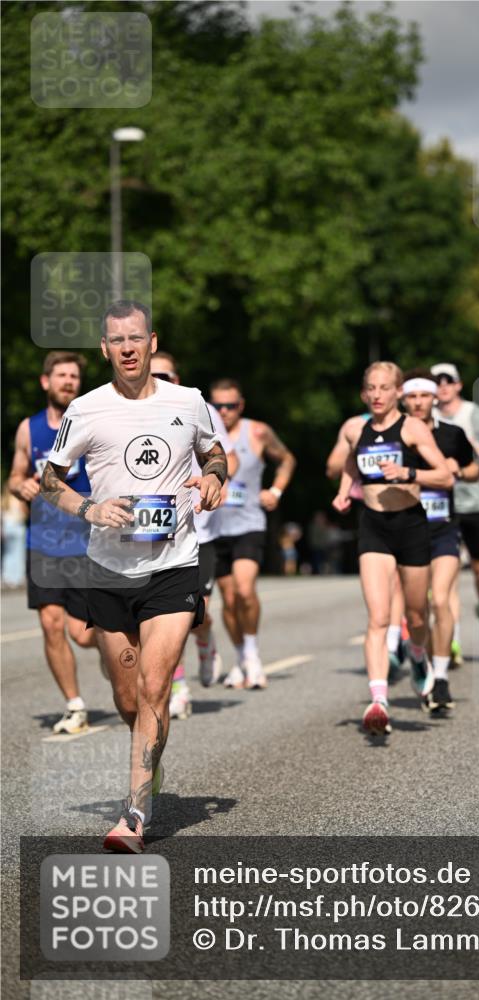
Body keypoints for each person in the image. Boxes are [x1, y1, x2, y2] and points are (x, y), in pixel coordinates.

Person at [39, 300, 228, 853]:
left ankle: (135, 814)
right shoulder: (86, 409)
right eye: (116, 340)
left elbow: (215, 454)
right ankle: (150, 762)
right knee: (127, 698)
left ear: (151, 343)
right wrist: (88, 509)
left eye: (136, 338)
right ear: (105, 349)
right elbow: (50, 481)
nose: (126, 347)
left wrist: (214, 479)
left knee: (153, 685)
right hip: (108, 571)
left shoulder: (187, 402)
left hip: (174, 565)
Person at [331, 361, 454, 735]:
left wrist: (408, 474)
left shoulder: (413, 428)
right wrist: (343, 492)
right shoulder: (355, 428)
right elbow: (352, 463)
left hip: (412, 525)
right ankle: (379, 700)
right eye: (371, 388)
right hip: (373, 526)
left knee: (417, 617)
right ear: (364, 392)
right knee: (378, 618)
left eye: (385, 388)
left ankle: (418, 655)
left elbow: (446, 476)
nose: (377, 395)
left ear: (398, 391)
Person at [8, 351, 99, 734]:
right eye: (61, 375)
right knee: (50, 623)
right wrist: (22, 485)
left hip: (86, 542)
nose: (68, 382)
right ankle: (75, 705)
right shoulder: (29, 429)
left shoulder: (93, 423)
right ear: (46, 382)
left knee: (83, 634)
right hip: (43, 542)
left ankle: (118, 654)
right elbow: (14, 476)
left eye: (74, 376)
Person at [149, 351, 238, 719]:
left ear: (178, 377)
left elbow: (224, 458)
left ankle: (206, 644)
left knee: (193, 614)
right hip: (151, 528)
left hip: (198, 529)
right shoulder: (129, 411)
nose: (159, 382)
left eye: (166, 376)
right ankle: (178, 687)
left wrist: (214, 481)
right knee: (162, 616)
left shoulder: (197, 405)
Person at [210, 378, 296, 690]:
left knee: (245, 590)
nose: (224, 411)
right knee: (229, 600)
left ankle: (253, 654)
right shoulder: (204, 432)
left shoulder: (257, 431)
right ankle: (240, 658)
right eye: (218, 405)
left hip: (249, 523)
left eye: (230, 405)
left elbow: (287, 459)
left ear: (241, 405)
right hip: (216, 528)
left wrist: (276, 490)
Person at [400, 369, 479, 713]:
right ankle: (422, 659)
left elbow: (475, 468)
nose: (418, 402)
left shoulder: (453, 434)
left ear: (435, 398)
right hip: (405, 528)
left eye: (424, 396)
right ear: (404, 398)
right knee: (416, 613)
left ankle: (442, 677)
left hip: (444, 527)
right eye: (412, 396)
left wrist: (457, 470)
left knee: (442, 600)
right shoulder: (395, 434)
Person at [431, 363, 479, 659]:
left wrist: (477, 451)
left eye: (449, 381)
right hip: (440, 504)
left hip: (477, 502)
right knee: (445, 576)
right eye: (437, 382)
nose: (443, 386)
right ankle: (453, 638)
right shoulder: (425, 419)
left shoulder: (477, 415)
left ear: (459, 385)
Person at [327, 413, 408, 678]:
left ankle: (402, 637)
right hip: (370, 509)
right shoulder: (355, 426)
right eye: (372, 388)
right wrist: (356, 457)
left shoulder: (411, 423)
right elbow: (333, 467)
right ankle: (393, 643)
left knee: (407, 583)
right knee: (389, 578)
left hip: (411, 507)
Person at [1, 484, 27, 588]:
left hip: (7, 527)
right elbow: (24, 513)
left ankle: (7, 577)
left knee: (7, 553)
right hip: (17, 526)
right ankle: (18, 578)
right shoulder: (18, 499)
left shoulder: (3, 500)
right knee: (19, 553)